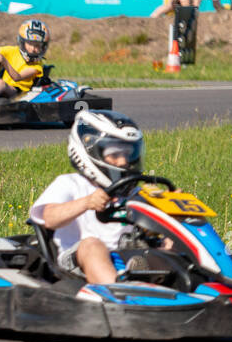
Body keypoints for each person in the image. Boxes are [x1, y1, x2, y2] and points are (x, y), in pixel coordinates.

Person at [28, 110, 145, 285]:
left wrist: (175, 209)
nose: (123, 162)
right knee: (92, 245)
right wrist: (87, 202)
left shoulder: (134, 193)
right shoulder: (70, 183)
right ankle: (117, 292)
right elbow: (48, 218)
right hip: (77, 260)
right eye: (114, 155)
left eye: (127, 155)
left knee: (168, 243)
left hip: (127, 255)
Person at [0, 20, 49, 99]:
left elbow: (17, 77)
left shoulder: (37, 67)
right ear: (22, 42)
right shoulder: (12, 51)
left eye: (37, 46)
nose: (33, 49)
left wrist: (4, 61)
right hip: (2, 86)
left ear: (43, 47)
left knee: (2, 84)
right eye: (30, 44)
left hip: (19, 93)